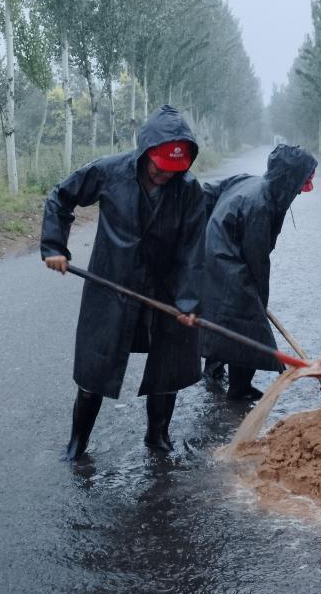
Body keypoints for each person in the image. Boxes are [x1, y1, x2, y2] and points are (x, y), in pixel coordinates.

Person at [41, 105, 207, 460]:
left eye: (174, 169)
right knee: (95, 367)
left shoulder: (190, 190)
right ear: (146, 152)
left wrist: (189, 301)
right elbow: (60, 197)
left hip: (166, 288)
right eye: (159, 167)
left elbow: (194, 249)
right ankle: (77, 443)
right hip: (112, 283)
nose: (165, 175)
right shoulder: (109, 171)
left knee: (169, 364)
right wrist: (54, 246)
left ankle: (157, 436)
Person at [199, 144, 318, 401]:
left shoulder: (251, 181)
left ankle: (213, 367)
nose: (301, 190)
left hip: (214, 253)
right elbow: (257, 263)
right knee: (248, 323)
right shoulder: (260, 205)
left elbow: (209, 192)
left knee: (224, 315)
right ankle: (239, 388)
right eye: (300, 184)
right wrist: (259, 303)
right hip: (228, 259)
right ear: (289, 179)